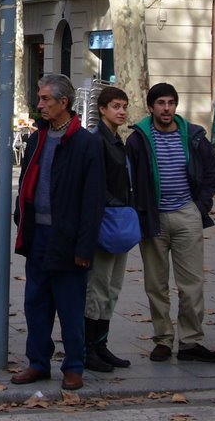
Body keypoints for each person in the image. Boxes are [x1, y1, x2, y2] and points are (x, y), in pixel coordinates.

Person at [11, 74, 105, 392]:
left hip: (68, 239)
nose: (40, 104)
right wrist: (19, 215)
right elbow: (26, 180)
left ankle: (73, 366)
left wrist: (84, 247)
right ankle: (38, 362)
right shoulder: (37, 138)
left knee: (70, 307)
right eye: (39, 98)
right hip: (37, 235)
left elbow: (93, 202)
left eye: (45, 99)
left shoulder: (86, 143)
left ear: (63, 103)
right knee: (35, 304)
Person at [127, 82, 215, 363]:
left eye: (171, 103)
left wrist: (200, 207)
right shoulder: (138, 139)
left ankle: (191, 341)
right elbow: (129, 179)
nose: (166, 108)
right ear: (151, 107)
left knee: (192, 283)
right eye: (161, 103)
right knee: (156, 284)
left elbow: (211, 171)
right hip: (153, 218)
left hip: (186, 215)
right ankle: (163, 340)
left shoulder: (193, 136)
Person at [84, 86, 133, 373]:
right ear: (102, 109)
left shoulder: (116, 139)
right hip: (106, 222)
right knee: (98, 287)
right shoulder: (96, 140)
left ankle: (101, 345)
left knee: (112, 288)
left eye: (124, 106)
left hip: (119, 222)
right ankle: (89, 349)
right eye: (116, 106)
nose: (122, 111)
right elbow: (94, 184)